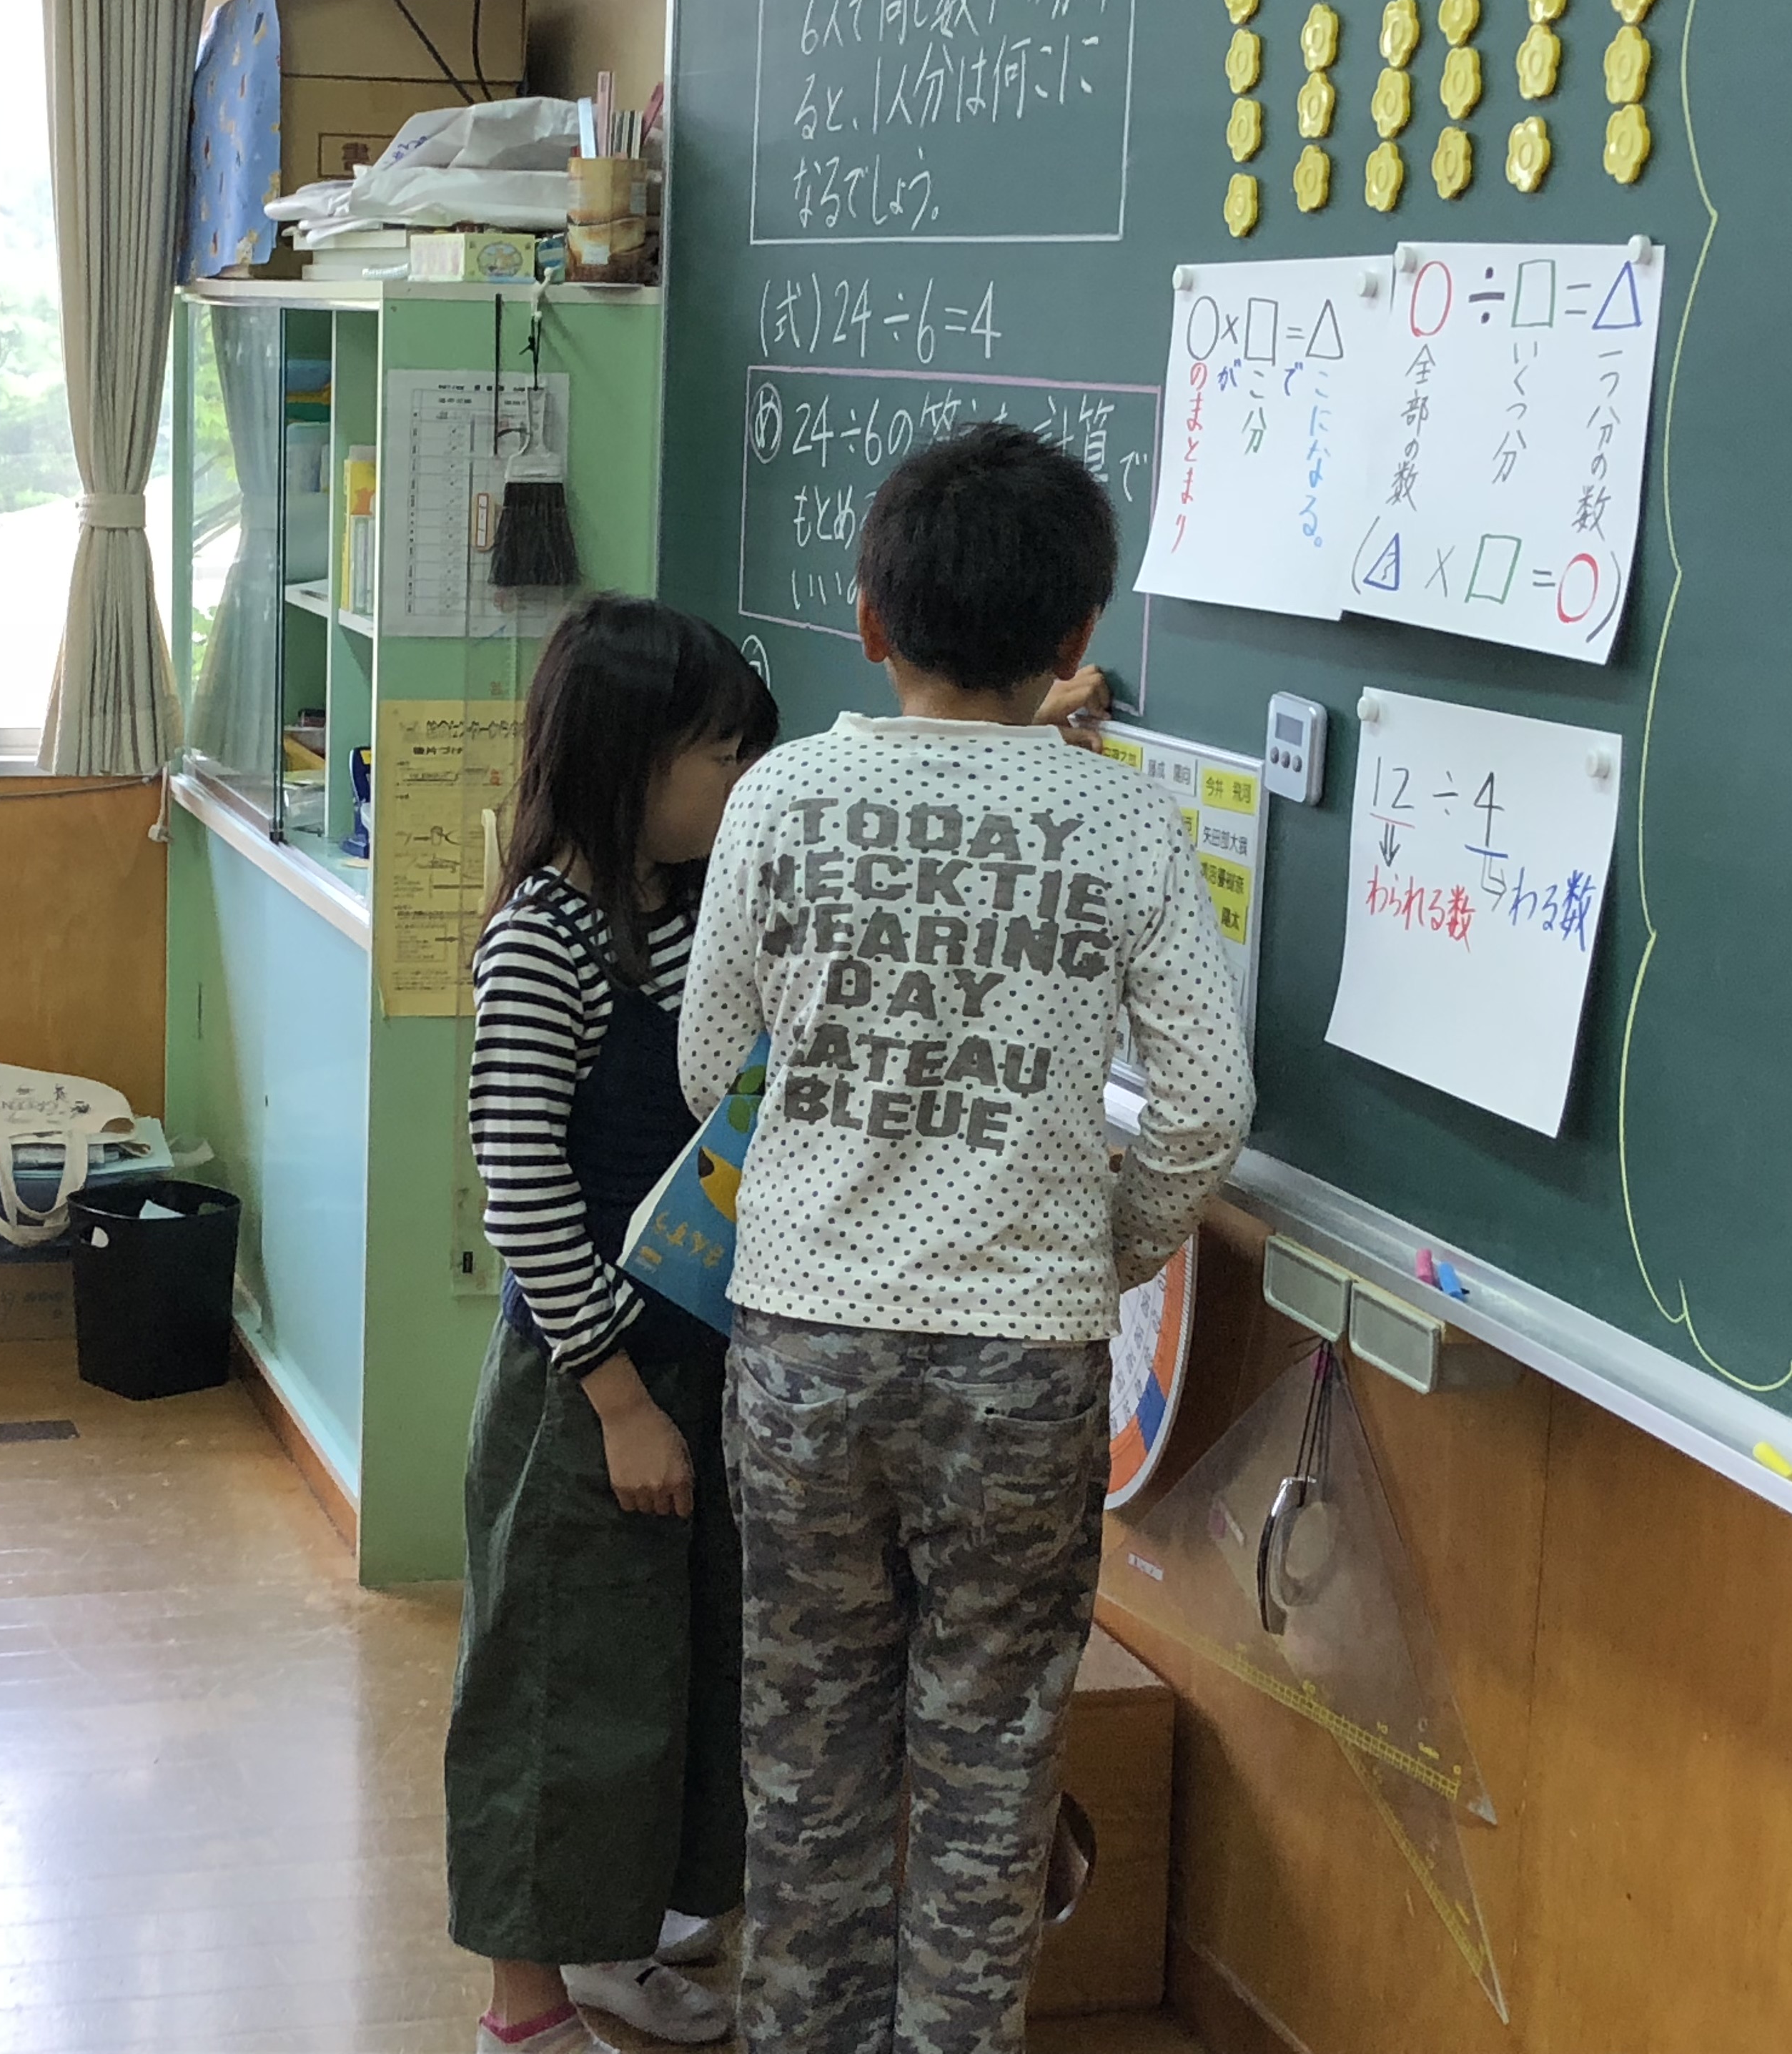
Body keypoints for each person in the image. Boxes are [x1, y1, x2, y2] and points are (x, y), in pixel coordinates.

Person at [678, 425, 1256, 2054]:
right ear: (1077, 639)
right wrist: (1106, 1252)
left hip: (802, 1348)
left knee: (809, 1756)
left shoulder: (782, 796)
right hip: (1025, 1365)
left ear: (868, 619)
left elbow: (710, 1069)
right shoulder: (1121, 826)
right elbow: (1208, 1107)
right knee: (994, 1762)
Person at [445, 595, 781, 2054]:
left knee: (657, 1683)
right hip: (582, 1392)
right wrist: (619, 1397)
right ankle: (523, 2006)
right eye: (721, 758)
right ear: (630, 761)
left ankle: (610, 1948)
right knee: (553, 1695)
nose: (742, 785)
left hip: (693, 1364)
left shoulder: (688, 911)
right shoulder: (544, 942)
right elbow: (519, 1185)